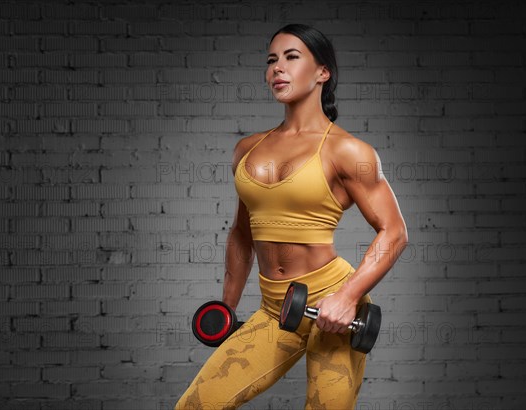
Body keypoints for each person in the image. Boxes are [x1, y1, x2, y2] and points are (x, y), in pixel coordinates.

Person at [175, 23, 408, 409]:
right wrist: (227, 309)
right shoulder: (247, 149)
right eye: (271, 60)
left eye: (291, 57)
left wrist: (348, 298)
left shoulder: (348, 150)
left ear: (322, 72)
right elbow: (241, 234)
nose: (277, 68)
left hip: (332, 305)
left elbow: (394, 231)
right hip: (274, 308)